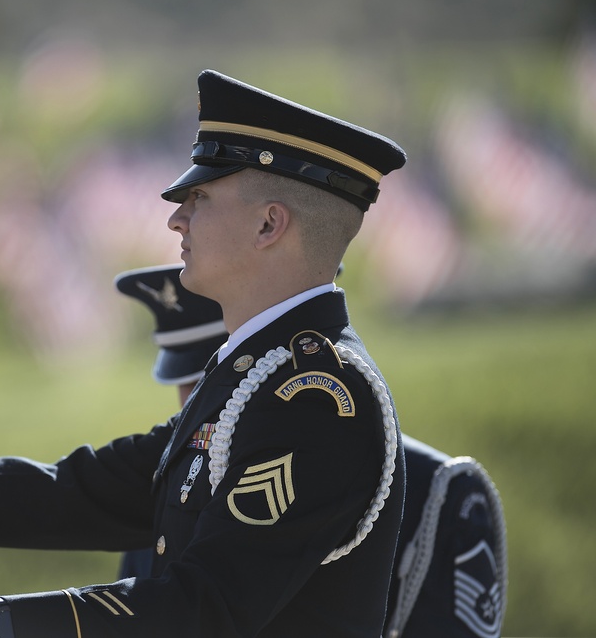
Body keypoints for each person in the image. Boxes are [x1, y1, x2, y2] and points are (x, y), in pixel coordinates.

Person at [0, 69, 410, 637]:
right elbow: (75, 494)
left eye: (199, 197)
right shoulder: (258, 376)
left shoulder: (317, 398)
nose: (176, 218)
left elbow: (207, 608)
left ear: (269, 223)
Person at [114, 263, 508, 638]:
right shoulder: (169, 483)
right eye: (193, 386)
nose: (196, 404)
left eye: (219, 381)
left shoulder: (437, 491)